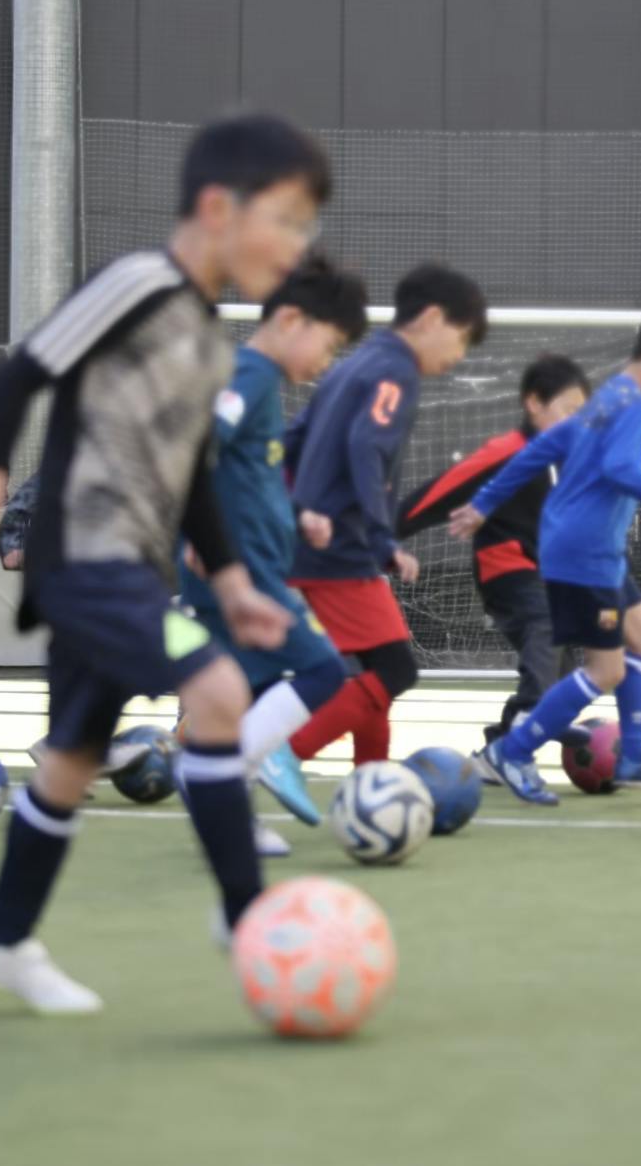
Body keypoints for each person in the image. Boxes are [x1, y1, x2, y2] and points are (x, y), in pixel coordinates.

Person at [0, 112, 330, 1013]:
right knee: (218, 691)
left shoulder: (208, 339)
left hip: (135, 572)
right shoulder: (140, 283)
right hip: (85, 560)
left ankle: (1, 944)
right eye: (288, 220)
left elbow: (192, 480)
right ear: (219, 208)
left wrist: (233, 583)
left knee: (70, 764)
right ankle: (248, 917)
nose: (297, 245)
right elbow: (22, 372)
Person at [449, 310, 641, 805]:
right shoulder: (636, 404)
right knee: (606, 670)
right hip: (584, 553)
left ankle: (633, 755)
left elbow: (541, 448)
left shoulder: (609, 396)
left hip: (592, 549)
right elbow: (620, 469)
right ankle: (511, 751)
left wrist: (484, 502)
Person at [175, 255, 371, 854]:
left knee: (243, 693)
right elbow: (196, 446)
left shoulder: (258, 381)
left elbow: (247, 479)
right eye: (329, 345)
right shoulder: (251, 375)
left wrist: (298, 516)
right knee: (323, 669)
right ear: (290, 320)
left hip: (245, 568)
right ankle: (218, 776)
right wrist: (200, 539)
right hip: (244, 575)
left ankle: (226, 809)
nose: (327, 362)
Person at [274, 263, 487, 773]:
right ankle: (282, 753)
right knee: (395, 669)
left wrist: (288, 513)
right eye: (461, 339)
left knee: (374, 671)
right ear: (431, 319)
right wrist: (381, 538)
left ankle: (370, 779)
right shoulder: (396, 371)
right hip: (342, 549)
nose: (458, 356)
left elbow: (290, 442)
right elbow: (366, 446)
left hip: (312, 541)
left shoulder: (351, 365)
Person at [397, 353, 592, 747]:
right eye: (568, 409)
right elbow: (441, 490)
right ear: (534, 403)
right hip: (506, 570)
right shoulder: (507, 452)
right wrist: (386, 532)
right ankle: (526, 716)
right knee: (547, 624)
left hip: (546, 576)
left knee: (568, 678)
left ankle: (500, 749)